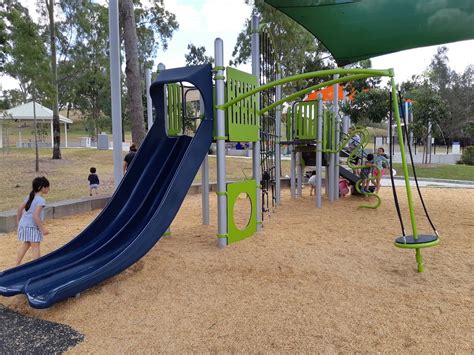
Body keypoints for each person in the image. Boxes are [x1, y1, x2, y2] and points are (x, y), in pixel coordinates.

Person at [16, 176, 50, 266]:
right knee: (35, 246)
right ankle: (36, 267)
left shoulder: (29, 196)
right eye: (47, 187)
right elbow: (36, 216)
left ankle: (16, 265)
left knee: (26, 244)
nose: (48, 189)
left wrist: (18, 221)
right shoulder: (41, 200)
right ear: (41, 188)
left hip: (24, 225)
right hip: (32, 226)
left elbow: (19, 209)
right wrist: (43, 229)